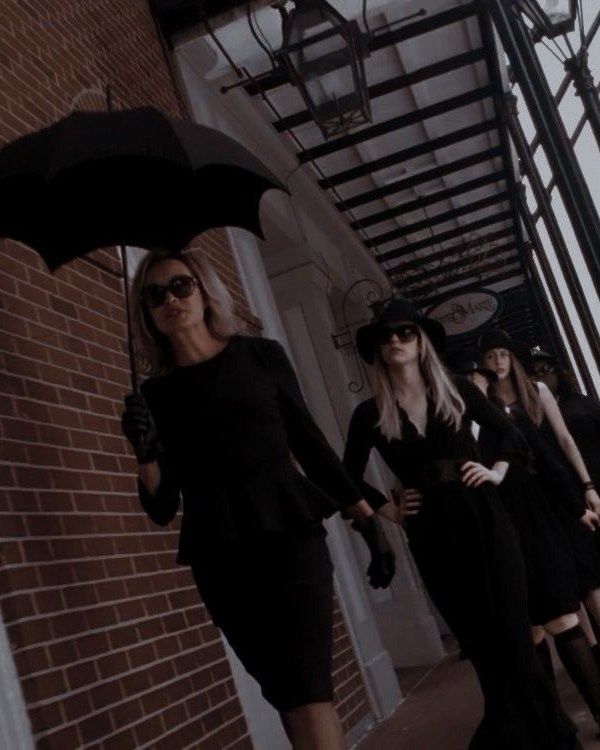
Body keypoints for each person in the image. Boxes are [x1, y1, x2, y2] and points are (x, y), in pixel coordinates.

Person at [120, 247, 389, 750]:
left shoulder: (260, 355)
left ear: (203, 291)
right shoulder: (154, 398)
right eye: (154, 295)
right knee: (286, 696)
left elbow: (310, 442)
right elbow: (160, 509)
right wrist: (145, 453)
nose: (170, 300)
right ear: (146, 313)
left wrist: (366, 519)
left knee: (310, 692)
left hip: (289, 536)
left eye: (180, 285)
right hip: (220, 557)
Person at [343, 296, 578, 749]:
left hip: (486, 520)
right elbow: (345, 477)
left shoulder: (456, 390)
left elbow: (511, 435)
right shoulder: (370, 414)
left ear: (422, 341)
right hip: (432, 535)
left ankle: (551, 739)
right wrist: (390, 512)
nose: (394, 340)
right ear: (376, 348)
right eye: (385, 335)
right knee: (484, 648)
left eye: (405, 332)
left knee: (514, 636)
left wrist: (496, 471)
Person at [480, 329, 600, 728]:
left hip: (555, 494)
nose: (498, 361)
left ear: (513, 358)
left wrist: (587, 487)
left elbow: (564, 441)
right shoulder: (483, 404)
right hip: (513, 507)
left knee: (581, 587)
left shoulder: (536, 393)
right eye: (491, 355)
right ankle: (553, 724)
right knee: (542, 610)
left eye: (503, 354)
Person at [531, 346, 600, 655]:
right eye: (534, 371)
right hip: (567, 497)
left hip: (592, 488)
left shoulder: (583, 405)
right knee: (586, 573)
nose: (540, 375)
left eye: (545, 369)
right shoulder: (533, 415)